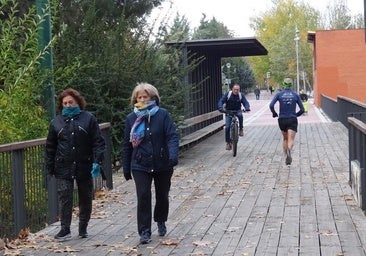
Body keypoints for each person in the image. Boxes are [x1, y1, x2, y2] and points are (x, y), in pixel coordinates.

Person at [122, 82, 179, 244]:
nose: (141, 99)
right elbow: (126, 144)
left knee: (162, 195)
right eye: (139, 97)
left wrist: (173, 155)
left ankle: (161, 220)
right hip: (140, 164)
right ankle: (144, 231)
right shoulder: (131, 118)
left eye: (144, 96)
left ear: (152, 97)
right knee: (143, 196)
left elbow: (171, 136)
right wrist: (126, 167)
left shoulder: (163, 115)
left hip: (162, 163)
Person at [45, 88, 106, 240]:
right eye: (65, 103)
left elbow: (98, 142)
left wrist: (97, 161)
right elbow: (50, 146)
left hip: (84, 165)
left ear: (77, 102)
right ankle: (65, 229)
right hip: (63, 166)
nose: (68, 105)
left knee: (85, 197)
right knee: (65, 197)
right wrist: (49, 168)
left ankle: (83, 227)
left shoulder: (88, 119)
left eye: (70, 102)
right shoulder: (56, 122)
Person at [269, 78, 304, 165]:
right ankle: (289, 150)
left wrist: (274, 113)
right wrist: (296, 115)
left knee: (285, 138)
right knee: (291, 139)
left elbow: (271, 105)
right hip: (292, 118)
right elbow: (302, 109)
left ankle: (285, 156)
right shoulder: (295, 95)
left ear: (283, 84)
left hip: (282, 119)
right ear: (291, 85)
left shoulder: (279, 94)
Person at [217, 84, 251, 150]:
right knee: (227, 127)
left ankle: (241, 129)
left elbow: (245, 102)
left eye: (237, 90)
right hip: (229, 111)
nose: (236, 91)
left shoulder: (241, 95)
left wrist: (247, 107)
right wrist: (220, 107)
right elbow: (221, 101)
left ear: (239, 90)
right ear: (232, 89)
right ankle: (228, 142)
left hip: (237, 110)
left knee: (240, 115)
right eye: (235, 89)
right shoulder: (228, 94)